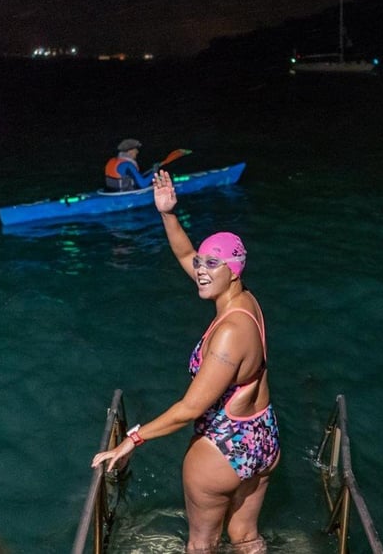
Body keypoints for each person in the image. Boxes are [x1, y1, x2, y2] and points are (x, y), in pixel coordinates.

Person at [92, 169, 280, 554]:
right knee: (245, 537)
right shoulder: (247, 303)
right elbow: (184, 253)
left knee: (200, 545)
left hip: (221, 451)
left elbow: (191, 408)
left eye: (211, 265)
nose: (201, 271)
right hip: (262, 439)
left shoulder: (229, 333)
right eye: (201, 264)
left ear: (233, 269)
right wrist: (167, 213)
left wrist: (131, 440)